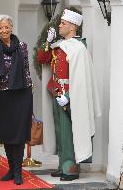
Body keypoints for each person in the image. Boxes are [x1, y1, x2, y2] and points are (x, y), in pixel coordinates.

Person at [37, 9, 101, 181]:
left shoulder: (78, 49)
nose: (59, 25)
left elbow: (81, 81)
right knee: (59, 132)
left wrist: (69, 96)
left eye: (63, 24)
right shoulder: (60, 46)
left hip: (69, 97)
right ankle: (62, 164)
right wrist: (47, 42)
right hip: (57, 94)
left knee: (69, 133)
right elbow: (42, 58)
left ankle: (70, 168)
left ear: (72, 27)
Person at [0, 14, 33, 185]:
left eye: (7, 27)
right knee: (6, 133)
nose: (4, 30)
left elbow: (26, 70)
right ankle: (11, 169)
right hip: (4, 95)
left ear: (11, 27)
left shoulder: (22, 46)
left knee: (19, 134)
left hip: (21, 93)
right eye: (1, 28)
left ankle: (18, 172)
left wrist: (29, 89)